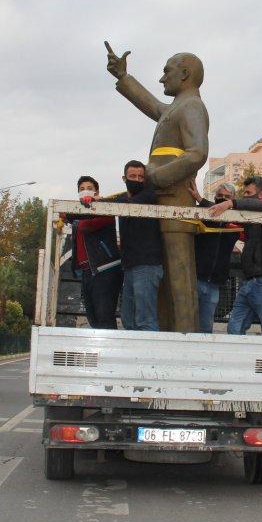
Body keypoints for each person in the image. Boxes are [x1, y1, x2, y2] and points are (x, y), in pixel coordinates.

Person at [106, 41, 208, 332]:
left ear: (185, 74)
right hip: (163, 202)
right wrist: (123, 78)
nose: (162, 78)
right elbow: (154, 106)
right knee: (167, 277)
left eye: (167, 72)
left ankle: (186, 339)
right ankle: (169, 334)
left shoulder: (192, 107)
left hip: (175, 201)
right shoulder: (178, 107)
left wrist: (156, 177)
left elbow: (197, 153)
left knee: (179, 276)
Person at [209, 176, 262, 336]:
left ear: (260, 195)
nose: (244, 196)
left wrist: (231, 203)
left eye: (248, 192)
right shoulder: (250, 216)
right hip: (248, 281)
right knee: (234, 328)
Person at [111, 160, 164, 331]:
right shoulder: (122, 199)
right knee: (128, 318)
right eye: (132, 176)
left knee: (145, 320)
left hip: (147, 265)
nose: (137, 180)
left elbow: (125, 204)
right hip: (130, 266)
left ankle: (151, 356)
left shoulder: (149, 195)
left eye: (141, 177)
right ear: (124, 178)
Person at [188, 180, 241, 334]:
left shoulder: (236, 220)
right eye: (220, 195)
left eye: (227, 197)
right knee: (187, 322)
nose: (222, 199)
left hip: (214, 284)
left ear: (232, 199)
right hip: (195, 278)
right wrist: (199, 198)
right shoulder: (205, 214)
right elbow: (210, 208)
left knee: (205, 327)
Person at [70, 175, 121, 330]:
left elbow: (85, 226)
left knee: (104, 316)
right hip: (87, 271)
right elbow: (66, 216)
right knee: (93, 317)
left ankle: (109, 352)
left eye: (90, 188)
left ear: (97, 192)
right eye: (82, 189)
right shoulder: (78, 212)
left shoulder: (105, 209)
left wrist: (95, 205)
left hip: (105, 269)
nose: (85, 191)